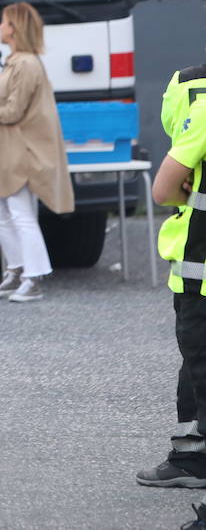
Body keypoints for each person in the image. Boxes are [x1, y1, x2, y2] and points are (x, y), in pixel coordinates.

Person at [0, 2, 72, 302]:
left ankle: (33, 276)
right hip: (3, 143)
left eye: (3, 22)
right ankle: (18, 267)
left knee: (19, 211)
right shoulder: (18, 61)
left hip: (20, 147)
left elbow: (13, 111)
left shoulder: (25, 64)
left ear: (14, 29)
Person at [134, 61, 206, 513]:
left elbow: (163, 189)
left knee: (199, 364)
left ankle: (192, 461)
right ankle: (188, 456)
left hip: (199, 271)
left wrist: (185, 187)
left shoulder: (196, 101)